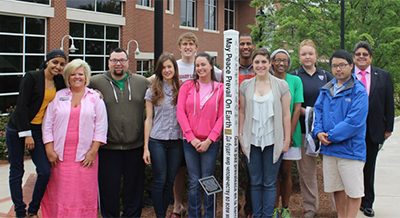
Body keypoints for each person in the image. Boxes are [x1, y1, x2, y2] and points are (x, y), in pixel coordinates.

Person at [41, 59, 108, 217]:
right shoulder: (58, 97)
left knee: (83, 193)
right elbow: (47, 124)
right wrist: (49, 150)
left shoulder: (95, 98)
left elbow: (101, 126)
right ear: (67, 78)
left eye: (80, 74)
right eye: (73, 74)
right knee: (60, 192)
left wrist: (93, 151)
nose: (77, 77)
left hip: (85, 156)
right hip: (59, 157)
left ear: (86, 76)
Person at [5, 49, 67, 218]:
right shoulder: (32, 77)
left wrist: (95, 92)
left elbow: (71, 93)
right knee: (17, 171)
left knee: (45, 171)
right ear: (47, 62)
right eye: (55, 62)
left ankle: (33, 209)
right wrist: (27, 134)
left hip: (39, 130)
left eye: (62, 64)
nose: (58, 66)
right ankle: (20, 212)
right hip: (17, 129)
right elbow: (22, 105)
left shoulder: (59, 81)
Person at [89, 48, 150, 217]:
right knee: (108, 189)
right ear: (108, 62)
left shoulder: (141, 82)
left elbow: (164, 85)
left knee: (134, 189)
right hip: (108, 148)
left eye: (122, 60)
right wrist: (92, 92)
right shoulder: (96, 82)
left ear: (128, 62)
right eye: (114, 60)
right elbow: (74, 82)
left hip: (135, 146)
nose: (118, 63)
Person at [313, 49, 369, 218]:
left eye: (342, 65)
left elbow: (354, 122)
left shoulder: (358, 91)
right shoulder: (326, 89)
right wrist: (318, 132)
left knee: (353, 191)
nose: (338, 69)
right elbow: (318, 111)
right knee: (337, 188)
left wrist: (329, 136)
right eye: (334, 66)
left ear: (351, 66)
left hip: (350, 150)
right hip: (330, 150)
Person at [239, 48, 291, 218]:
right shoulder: (245, 85)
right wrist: (241, 136)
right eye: (257, 62)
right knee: (255, 182)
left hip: (273, 140)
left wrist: (286, 139)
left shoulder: (281, 85)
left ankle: (267, 215)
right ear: (253, 65)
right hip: (251, 140)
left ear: (270, 64)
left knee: (269, 182)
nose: (260, 65)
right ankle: (257, 214)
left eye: (263, 62)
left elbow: (285, 114)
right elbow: (242, 113)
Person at [176, 52, 224, 218]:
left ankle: (209, 215)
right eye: (197, 65)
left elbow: (222, 117)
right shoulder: (187, 86)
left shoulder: (220, 89)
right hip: (190, 141)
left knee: (208, 178)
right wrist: (192, 138)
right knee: (195, 181)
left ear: (211, 66)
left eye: (203, 64)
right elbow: (180, 112)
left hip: (211, 142)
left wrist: (210, 139)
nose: (200, 68)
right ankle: (194, 215)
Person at [290, 39, 333, 218]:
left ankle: (338, 205)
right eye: (303, 54)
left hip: (326, 132)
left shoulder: (326, 76)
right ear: (299, 56)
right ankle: (310, 207)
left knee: (332, 169)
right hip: (303, 131)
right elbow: (292, 104)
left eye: (310, 53)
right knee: (307, 172)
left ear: (316, 55)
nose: (307, 57)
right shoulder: (294, 76)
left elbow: (334, 101)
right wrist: (304, 111)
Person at [352, 42, 394, 217]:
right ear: (353, 57)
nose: (362, 57)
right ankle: (353, 200)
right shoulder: (346, 75)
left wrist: (388, 128)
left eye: (365, 54)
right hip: (352, 130)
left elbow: (389, 103)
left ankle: (367, 202)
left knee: (369, 167)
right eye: (358, 54)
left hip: (373, 130)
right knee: (353, 167)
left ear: (370, 57)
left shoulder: (383, 76)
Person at [143, 53, 183, 218]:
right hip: (157, 140)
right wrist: (146, 147)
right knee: (160, 179)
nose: (167, 70)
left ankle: (165, 211)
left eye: (170, 67)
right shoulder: (152, 90)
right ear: (159, 70)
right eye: (164, 67)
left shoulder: (182, 89)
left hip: (176, 141)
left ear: (175, 68)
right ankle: (160, 215)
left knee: (170, 181)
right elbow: (148, 119)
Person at [271, 49, 304, 218]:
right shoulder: (267, 80)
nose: (281, 63)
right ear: (272, 62)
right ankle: (274, 207)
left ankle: (285, 208)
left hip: (291, 133)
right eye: (277, 60)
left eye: (284, 60)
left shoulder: (295, 80)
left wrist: (288, 135)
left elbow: (297, 109)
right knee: (274, 173)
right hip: (270, 134)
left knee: (286, 172)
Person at [238, 33, 256, 218]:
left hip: (253, 125)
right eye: (242, 44)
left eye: (248, 44)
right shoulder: (229, 69)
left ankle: (250, 208)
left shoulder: (259, 68)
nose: (245, 46)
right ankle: (232, 205)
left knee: (251, 169)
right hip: (232, 126)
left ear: (253, 46)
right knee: (231, 168)